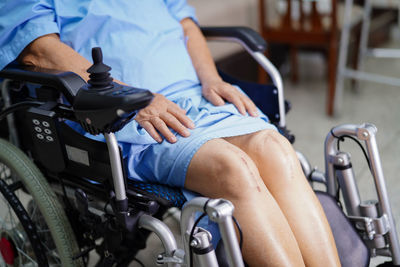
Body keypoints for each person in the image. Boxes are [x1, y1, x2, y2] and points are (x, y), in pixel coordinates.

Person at [0, 0, 341, 266]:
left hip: (194, 97)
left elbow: (186, 24)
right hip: (120, 116)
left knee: (275, 149)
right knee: (233, 167)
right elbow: (38, 51)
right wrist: (126, 96)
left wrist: (212, 78)